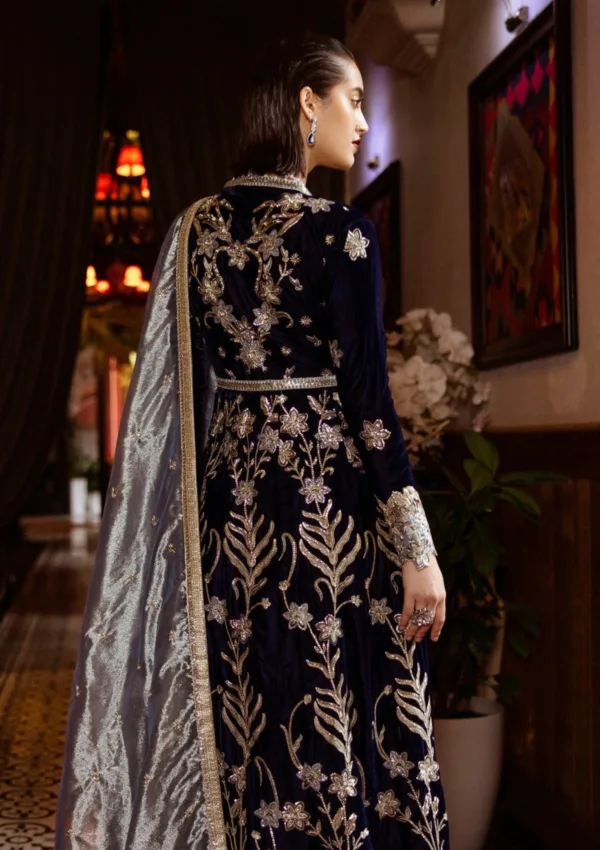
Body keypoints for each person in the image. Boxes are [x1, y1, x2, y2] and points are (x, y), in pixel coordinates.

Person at [55, 32, 449, 850]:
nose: (363, 123)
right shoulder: (343, 233)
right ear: (307, 103)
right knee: (334, 705)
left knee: (250, 711)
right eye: (352, 100)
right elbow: (370, 406)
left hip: (230, 514)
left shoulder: (194, 231)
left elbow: (183, 402)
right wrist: (417, 550)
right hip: (327, 511)